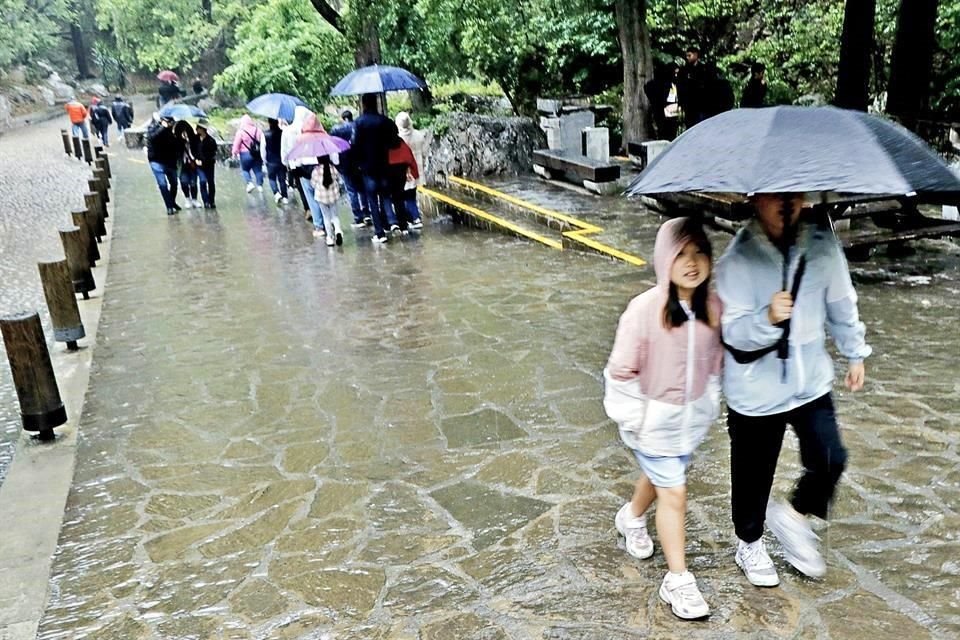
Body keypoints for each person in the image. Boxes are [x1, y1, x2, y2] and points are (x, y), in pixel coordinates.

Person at [715, 193, 870, 587]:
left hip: (808, 379)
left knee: (831, 457)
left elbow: (841, 301)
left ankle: (795, 516)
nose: (787, 204)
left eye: (794, 195)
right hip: (755, 389)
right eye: (776, 197)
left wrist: (854, 352)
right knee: (753, 473)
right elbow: (732, 333)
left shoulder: (822, 246)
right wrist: (766, 317)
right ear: (755, 200)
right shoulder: (738, 259)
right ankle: (748, 541)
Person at [604, 217, 722, 620]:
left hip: (688, 425)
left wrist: (709, 402)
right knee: (674, 492)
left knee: (661, 478)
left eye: (699, 252)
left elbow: (716, 364)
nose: (691, 262)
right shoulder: (645, 310)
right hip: (650, 422)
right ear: (663, 259)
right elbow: (620, 371)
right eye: (681, 254)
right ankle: (678, 580)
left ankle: (632, 516)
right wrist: (637, 418)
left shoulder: (712, 308)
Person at [353, 92, 400, 243]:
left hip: (368, 168)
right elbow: (396, 143)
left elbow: (355, 145)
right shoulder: (385, 121)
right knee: (386, 195)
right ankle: (391, 223)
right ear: (377, 102)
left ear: (364, 104)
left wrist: (358, 163)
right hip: (385, 165)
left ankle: (379, 232)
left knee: (372, 199)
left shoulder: (359, 123)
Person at [287, 112, 329, 238]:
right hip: (322, 170)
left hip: (305, 171)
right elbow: (332, 155)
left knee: (312, 199)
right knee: (324, 198)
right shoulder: (324, 136)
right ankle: (329, 224)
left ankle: (319, 226)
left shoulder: (301, 138)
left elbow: (295, 156)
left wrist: (295, 169)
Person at [330, 109, 370, 227]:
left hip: (345, 164)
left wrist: (336, 164)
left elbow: (333, 147)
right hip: (360, 162)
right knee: (362, 189)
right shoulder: (359, 126)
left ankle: (358, 217)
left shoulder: (336, 129)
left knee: (351, 191)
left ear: (343, 118)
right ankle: (367, 213)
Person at [395, 111, 426, 228]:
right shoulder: (418, 135)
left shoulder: (399, 138)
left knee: (405, 195)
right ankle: (414, 217)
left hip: (405, 170)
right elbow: (424, 152)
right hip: (417, 169)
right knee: (411, 194)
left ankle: (414, 218)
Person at [146, 114, 181, 215]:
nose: (170, 124)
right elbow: (152, 138)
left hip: (170, 161)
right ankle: (169, 206)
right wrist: (162, 128)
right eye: (169, 122)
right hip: (156, 160)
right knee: (162, 184)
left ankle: (172, 201)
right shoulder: (154, 128)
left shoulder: (173, 132)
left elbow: (177, 146)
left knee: (174, 183)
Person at [281, 106, 312, 220]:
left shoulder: (287, 131)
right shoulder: (307, 128)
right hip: (309, 162)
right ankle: (316, 210)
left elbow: (284, 150)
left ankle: (308, 209)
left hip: (294, 164)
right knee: (313, 187)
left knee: (301, 187)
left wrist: (285, 163)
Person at [385, 135, 419, 233]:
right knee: (398, 198)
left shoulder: (381, 142)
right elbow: (408, 156)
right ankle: (403, 225)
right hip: (401, 170)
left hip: (388, 170)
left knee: (386, 197)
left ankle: (391, 222)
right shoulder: (399, 140)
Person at [310, 156, 345, 247]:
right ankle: (338, 230)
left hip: (321, 198)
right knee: (335, 216)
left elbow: (313, 184)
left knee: (326, 218)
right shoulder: (332, 168)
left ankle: (330, 238)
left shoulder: (316, 171)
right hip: (333, 196)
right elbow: (339, 180)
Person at [677, 46, 713, 129]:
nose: (687, 58)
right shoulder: (684, 70)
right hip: (688, 105)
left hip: (701, 104)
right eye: (687, 56)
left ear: (696, 55)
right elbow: (680, 87)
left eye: (689, 55)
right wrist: (681, 103)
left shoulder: (704, 69)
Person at [644, 63, 681, 140]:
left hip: (673, 114)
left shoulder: (675, 83)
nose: (676, 75)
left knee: (672, 135)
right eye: (675, 73)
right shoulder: (661, 83)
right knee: (664, 135)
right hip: (662, 114)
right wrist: (659, 104)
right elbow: (648, 87)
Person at [232, 115, 265, 193]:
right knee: (258, 170)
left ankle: (249, 183)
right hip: (257, 153)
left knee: (245, 170)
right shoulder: (258, 130)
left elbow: (237, 144)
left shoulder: (241, 132)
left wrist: (234, 153)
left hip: (245, 154)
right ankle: (260, 186)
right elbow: (263, 142)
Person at [263, 118, 289, 205]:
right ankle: (285, 197)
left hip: (270, 160)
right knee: (282, 179)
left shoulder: (265, 134)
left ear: (269, 123)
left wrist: (264, 160)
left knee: (272, 178)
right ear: (278, 122)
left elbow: (263, 149)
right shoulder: (283, 133)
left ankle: (276, 193)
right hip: (281, 160)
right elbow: (286, 147)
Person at [175, 121, 200, 208]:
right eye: (182, 132)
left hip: (192, 164)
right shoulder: (177, 142)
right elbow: (176, 154)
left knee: (193, 182)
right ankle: (187, 199)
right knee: (184, 182)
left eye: (186, 132)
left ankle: (194, 199)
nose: (185, 134)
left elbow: (197, 151)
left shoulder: (194, 140)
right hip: (182, 165)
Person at [193, 120, 218, 209]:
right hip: (199, 165)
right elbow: (193, 151)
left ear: (203, 129)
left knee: (211, 182)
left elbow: (213, 153)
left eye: (198, 128)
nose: (196, 129)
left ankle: (212, 201)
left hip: (209, 165)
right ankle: (206, 201)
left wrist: (205, 160)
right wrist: (196, 159)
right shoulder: (195, 139)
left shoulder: (211, 140)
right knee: (203, 181)